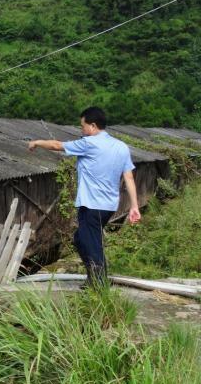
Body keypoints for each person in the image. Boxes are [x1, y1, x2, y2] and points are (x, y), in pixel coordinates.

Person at [28, 106, 141, 287]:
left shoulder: (89, 143)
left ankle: (99, 284)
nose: (82, 131)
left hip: (92, 205)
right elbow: (128, 176)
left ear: (93, 126)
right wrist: (134, 206)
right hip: (109, 206)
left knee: (91, 243)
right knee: (81, 239)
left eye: (83, 126)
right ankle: (94, 277)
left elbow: (57, 146)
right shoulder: (121, 147)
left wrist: (37, 142)